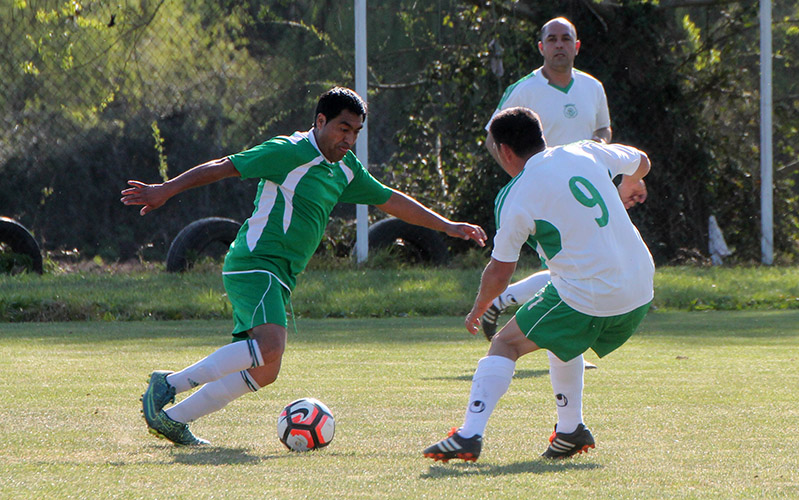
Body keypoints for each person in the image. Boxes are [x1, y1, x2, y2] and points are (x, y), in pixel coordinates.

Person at [121, 87, 487, 446]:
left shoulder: (344, 168)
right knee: (270, 345)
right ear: (320, 120)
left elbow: (391, 200)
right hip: (255, 262)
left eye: (356, 132)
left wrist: (448, 226)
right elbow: (223, 166)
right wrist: (165, 189)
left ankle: (174, 419)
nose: (349, 139)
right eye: (343, 128)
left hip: (279, 275)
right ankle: (168, 384)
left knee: (265, 371)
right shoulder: (289, 151)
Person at [423, 107, 653, 462]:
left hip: (593, 295)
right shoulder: (584, 149)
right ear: (541, 135)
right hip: (641, 287)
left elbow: (500, 272)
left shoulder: (517, 194)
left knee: (504, 344)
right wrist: (630, 181)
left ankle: (468, 435)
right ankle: (570, 431)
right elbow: (642, 162)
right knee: (560, 331)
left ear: (505, 152)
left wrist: (479, 308)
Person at [480, 17, 648, 346]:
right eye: (552, 39)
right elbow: (493, 138)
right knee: (569, 272)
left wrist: (599, 153)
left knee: (575, 270)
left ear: (577, 46)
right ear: (541, 47)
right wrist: (524, 181)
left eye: (565, 39)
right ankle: (511, 304)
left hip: (582, 193)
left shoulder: (592, 87)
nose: (559, 44)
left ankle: (510, 303)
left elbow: (604, 131)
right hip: (547, 199)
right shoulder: (524, 89)